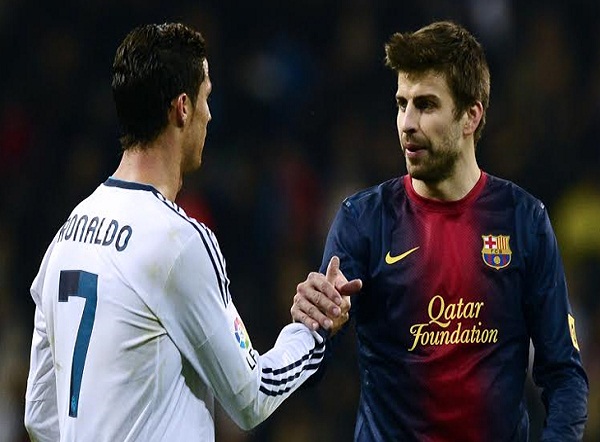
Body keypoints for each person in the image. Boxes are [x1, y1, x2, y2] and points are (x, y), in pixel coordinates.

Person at [23, 22, 358, 442]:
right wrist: (312, 332)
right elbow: (251, 396)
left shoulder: (66, 236)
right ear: (183, 107)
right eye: (206, 97)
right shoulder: (177, 241)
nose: (209, 114)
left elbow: (39, 415)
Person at [291, 21, 589, 441]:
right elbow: (310, 372)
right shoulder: (364, 219)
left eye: (426, 105)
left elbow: (564, 377)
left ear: (471, 116)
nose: (407, 123)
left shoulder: (523, 220)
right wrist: (314, 327)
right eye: (402, 104)